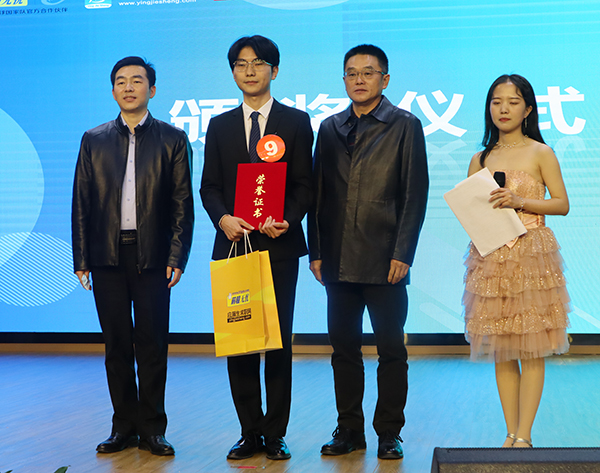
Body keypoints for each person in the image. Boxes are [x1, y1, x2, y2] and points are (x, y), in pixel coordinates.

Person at [308, 44, 429, 460]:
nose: (359, 79)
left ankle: (389, 432)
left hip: (385, 258)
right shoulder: (329, 127)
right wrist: (316, 250)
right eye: (352, 73)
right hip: (337, 258)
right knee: (344, 350)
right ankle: (349, 429)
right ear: (344, 79)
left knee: (391, 350)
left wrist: (403, 253)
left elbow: (414, 195)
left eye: (368, 72)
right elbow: (318, 194)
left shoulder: (405, 125)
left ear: (385, 79)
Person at [71, 56, 194, 456]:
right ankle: (122, 426)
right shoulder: (94, 139)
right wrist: (81, 258)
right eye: (121, 81)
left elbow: (182, 203)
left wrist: (177, 255)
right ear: (113, 91)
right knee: (117, 345)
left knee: (152, 344)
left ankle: (152, 428)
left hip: (153, 255)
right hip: (106, 255)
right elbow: (81, 202)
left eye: (137, 81)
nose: (128, 87)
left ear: (151, 90)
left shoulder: (173, 139)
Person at [200, 35, 313, 461]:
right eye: (240, 64)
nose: (249, 71)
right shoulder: (220, 125)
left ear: (274, 70)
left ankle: (275, 433)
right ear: (233, 72)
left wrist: (289, 219)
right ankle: (249, 432)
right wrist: (223, 219)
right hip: (233, 246)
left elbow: (304, 185)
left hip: (278, 246)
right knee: (241, 340)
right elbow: (209, 187)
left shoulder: (296, 121)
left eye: (258, 63)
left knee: (278, 342)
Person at [463, 74, 570, 448]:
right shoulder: (480, 158)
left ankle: (525, 435)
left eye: (512, 101)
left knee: (532, 347)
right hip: (492, 257)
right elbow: (471, 209)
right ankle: (510, 434)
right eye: (496, 101)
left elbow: (562, 204)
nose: (503, 109)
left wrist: (519, 201)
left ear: (528, 110)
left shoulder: (541, 152)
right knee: (503, 350)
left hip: (531, 255)